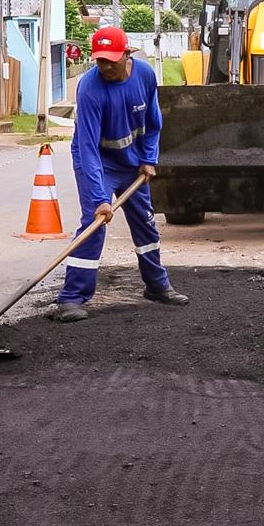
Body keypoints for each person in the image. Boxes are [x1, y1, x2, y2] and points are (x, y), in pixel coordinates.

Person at [54, 26, 189, 322]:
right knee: (94, 223)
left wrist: (148, 159)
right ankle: (72, 299)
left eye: (111, 61)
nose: (104, 66)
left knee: (146, 223)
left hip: (132, 165)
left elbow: (153, 124)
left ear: (127, 55)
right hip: (98, 164)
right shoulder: (89, 89)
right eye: (100, 60)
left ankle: (156, 286)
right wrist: (100, 198)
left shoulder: (144, 75)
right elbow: (87, 148)